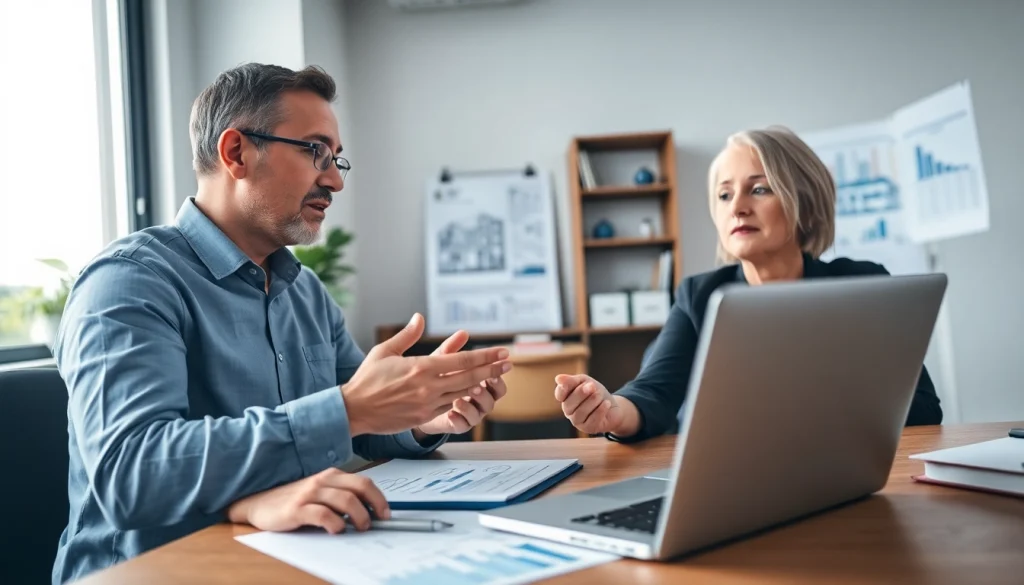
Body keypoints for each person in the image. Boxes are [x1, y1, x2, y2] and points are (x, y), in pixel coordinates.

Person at [52, 63, 511, 584]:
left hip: (291, 560)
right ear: (236, 153)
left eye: (337, 159)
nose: (335, 179)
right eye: (315, 150)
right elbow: (131, 473)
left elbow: (362, 427)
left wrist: (421, 414)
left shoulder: (304, 292)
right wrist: (350, 408)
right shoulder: (129, 282)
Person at [555, 125, 943, 442]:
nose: (737, 206)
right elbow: (654, 393)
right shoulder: (700, 296)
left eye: (759, 189)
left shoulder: (863, 284)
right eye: (724, 194)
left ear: (803, 204)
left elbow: (923, 408)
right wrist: (610, 411)